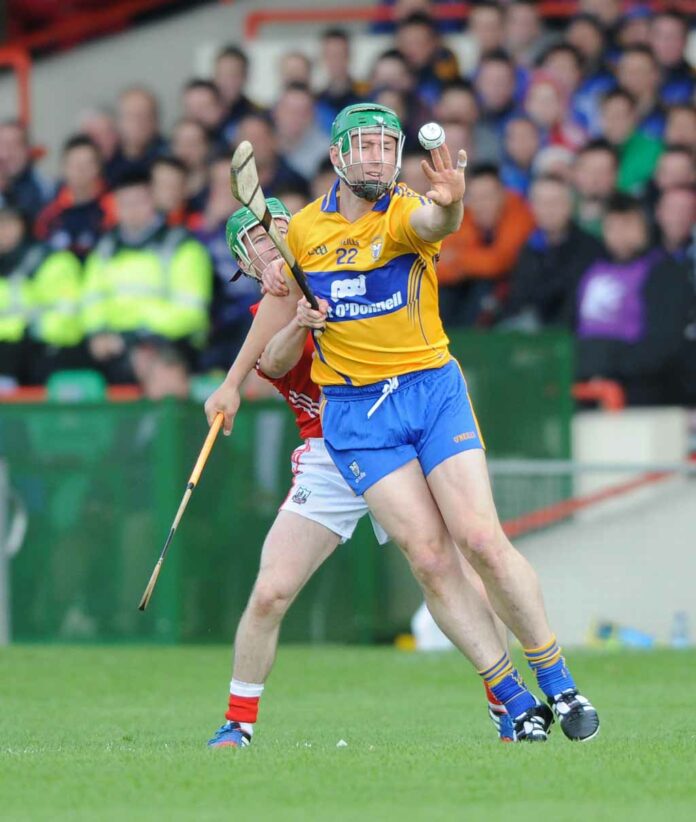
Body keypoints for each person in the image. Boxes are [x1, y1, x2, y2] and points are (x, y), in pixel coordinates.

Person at [247, 103, 600, 742]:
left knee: (481, 541)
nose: (379, 157)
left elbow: (438, 219)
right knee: (430, 558)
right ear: (337, 158)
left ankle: (559, 681)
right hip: (355, 414)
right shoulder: (300, 233)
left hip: (431, 390)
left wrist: (453, 203)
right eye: (366, 147)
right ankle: (514, 698)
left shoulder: (408, 208)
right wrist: (276, 280)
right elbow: (273, 320)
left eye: (388, 146)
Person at [205, 198, 519, 747]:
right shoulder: (266, 319)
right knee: (271, 592)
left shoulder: (338, 265)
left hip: (391, 434)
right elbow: (275, 365)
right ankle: (238, 723)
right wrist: (298, 324)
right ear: (246, 265)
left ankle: (508, 703)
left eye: (273, 230)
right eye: (253, 243)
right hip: (330, 452)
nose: (267, 244)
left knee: (459, 572)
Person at [81, 170, 212, 383]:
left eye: (139, 202)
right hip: (115, 345)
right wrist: (97, 334)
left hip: (170, 343)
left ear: (153, 201)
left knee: (154, 364)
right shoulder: (104, 249)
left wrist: (138, 334)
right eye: (124, 204)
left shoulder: (182, 246)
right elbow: (91, 302)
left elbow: (192, 313)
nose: (132, 210)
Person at [573, 193, 691, 405]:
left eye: (627, 224)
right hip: (585, 380)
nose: (620, 234)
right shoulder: (589, 270)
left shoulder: (664, 272)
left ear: (644, 227)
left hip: (637, 387)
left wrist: (606, 365)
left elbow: (663, 346)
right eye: (612, 226)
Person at [437, 163, 535, 326]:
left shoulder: (519, 213)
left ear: (503, 196)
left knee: (485, 288)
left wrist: (460, 259)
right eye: (475, 198)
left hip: (513, 290)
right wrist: (471, 263)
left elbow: (500, 261)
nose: (482, 205)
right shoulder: (464, 215)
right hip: (469, 290)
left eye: (488, 196)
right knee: (446, 295)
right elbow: (439, 268)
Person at [502, 174, 603, 329]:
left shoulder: (590, 249)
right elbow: (517, 300)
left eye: (555, 202)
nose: (548, 209)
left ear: (570, 205)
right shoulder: (528, 248)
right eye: (541, 202)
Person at [0, 204, 84, 385]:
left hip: (43, 353)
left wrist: (28, 334)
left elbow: (65, 319)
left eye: (7, 223)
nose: (2, 231)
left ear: (23, 224)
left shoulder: (52, 261)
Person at [35, 135, 116, 260]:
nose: (81, 170)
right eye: (75, 164)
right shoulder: (49, 213)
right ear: (63, 168)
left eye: (87, 164)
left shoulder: (113, 208)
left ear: (99, 167)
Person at [599, 89, 663, 196]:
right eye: (608, 115)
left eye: (620, 115)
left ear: (634, 117)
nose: (613, 122)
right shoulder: (593, 151)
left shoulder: (656, 149)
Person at [394, 12, 459, 105]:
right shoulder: (389, 70)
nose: (412, 49)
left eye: (419, 43)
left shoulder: (447, 75)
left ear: (435, 43)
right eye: (407, 43)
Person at [106, 87, 167, 182]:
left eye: (145, 116)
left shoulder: (170, 156)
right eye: (131, 116)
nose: (138, 123)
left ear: (156, 121)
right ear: (118, 121)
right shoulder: (106, 160)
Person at [0, 120, 54, 223]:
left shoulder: (42, 189)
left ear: (26, 150)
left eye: (12, 146)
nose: (4, 154)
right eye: (1, 145)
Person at [273, 84, 327, 181]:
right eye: (290, 111)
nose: (295, 117)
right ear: (276, 112)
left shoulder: (326, 153)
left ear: (313, 116)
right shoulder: (263, 144)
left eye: (302, 112)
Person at [315, 29, 364, 134]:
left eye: (340, 54)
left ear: (349, 56)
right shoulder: (316, 101)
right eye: (330, 55)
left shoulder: (365, 95)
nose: (335, 61)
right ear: (323, 58)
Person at [214, 45, 264, 143]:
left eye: (233, 74)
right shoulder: (203, 113)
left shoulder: (257, 114)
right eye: (221, 74)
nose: (227, 81)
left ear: (245, 77)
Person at [572, 138, 619, 238]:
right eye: (588, 170)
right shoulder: (563, 207)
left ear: (615, 176)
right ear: (576, 173)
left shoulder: (628, 213)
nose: (595, 178)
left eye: (603, 171)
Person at [650, 11, 695, 106]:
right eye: (660, 36)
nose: (667, 43)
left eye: (674, 36)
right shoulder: (630, 75)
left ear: (685, 41)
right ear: (649, 38)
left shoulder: (693, 80)